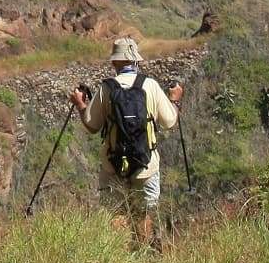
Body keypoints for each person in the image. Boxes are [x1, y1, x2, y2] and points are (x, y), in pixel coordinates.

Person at [69, 35, 183, 248]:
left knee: (116, 214)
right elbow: (171, 122)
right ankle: (144, 254)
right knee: (144, 214)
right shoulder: (149, 85)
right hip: (146, 164)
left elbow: (92, 125)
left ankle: (119, 259)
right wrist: (175, 99)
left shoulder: (107, 88)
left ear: (114, 63)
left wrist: (80, 104)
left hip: (113, 164)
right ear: (136, 62)